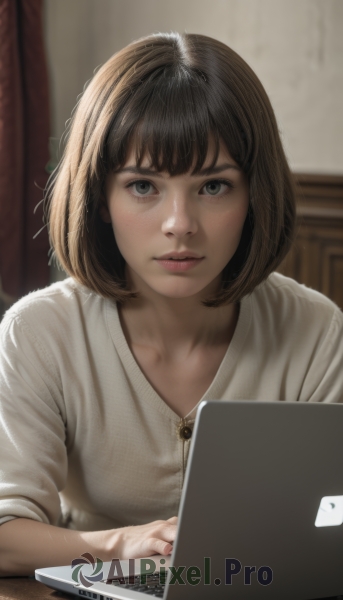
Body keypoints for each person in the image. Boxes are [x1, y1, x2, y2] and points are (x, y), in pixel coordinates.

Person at [0, 31, 342, 577]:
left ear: (254, 194)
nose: (179, 224)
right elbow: (5, 537)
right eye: (142, 186)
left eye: (213, 187)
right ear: (100, 198)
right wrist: (123, 545)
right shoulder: (39, 332)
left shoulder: (316, 331)